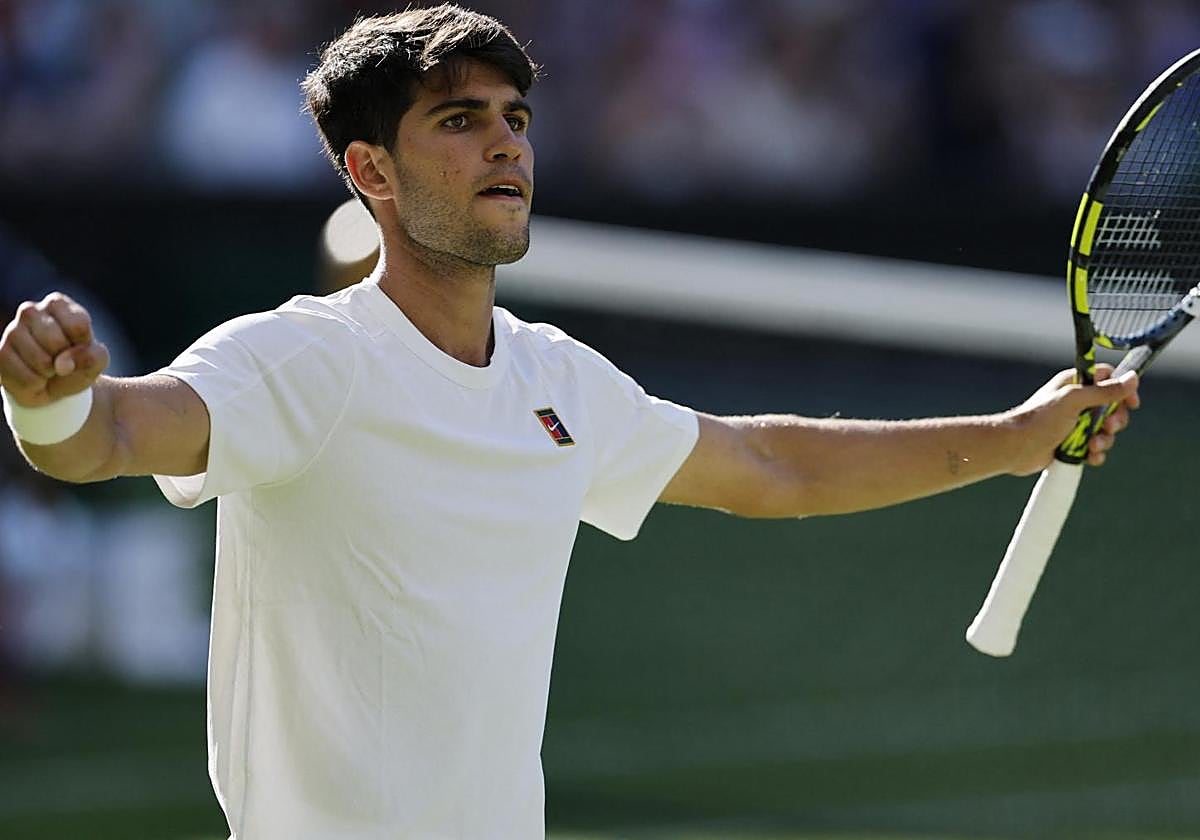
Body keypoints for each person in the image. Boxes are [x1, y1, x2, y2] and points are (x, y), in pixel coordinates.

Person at [0, 6, 1139, 839]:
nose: (506, 143)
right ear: (370, 171)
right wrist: (43, 400)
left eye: (515, 116)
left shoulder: (558, 381)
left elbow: (769, 464)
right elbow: (105, 439)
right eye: (459, 119)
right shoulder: (304, 356)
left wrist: (1016, 436)